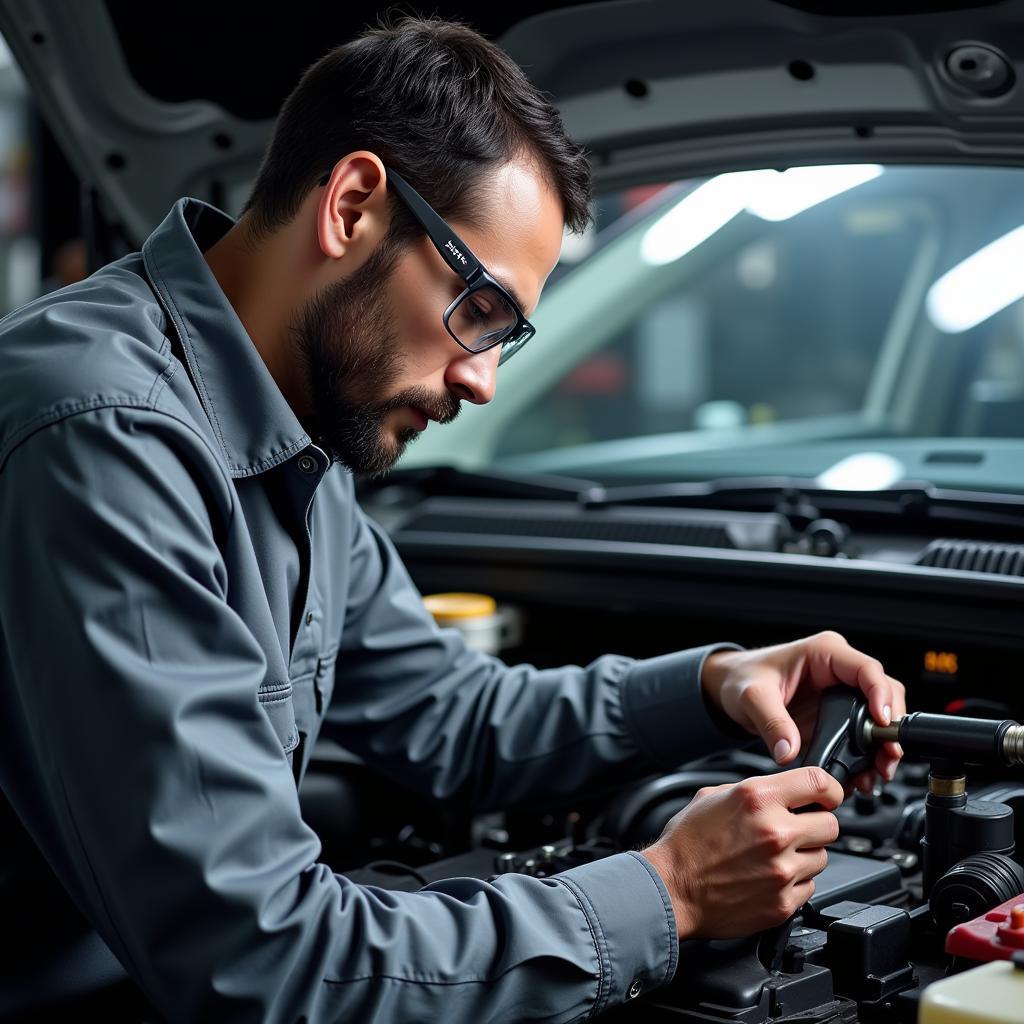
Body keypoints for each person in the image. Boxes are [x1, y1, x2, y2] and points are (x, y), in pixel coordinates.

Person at [0, 15, 905, 1023]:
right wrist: (673, 890)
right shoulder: (103, 432)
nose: (480, 380)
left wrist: (713, 683)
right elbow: (262, 962)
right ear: (351, 206)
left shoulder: (294, 416)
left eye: (506, 337)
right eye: (478, 308)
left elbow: (447, 716)